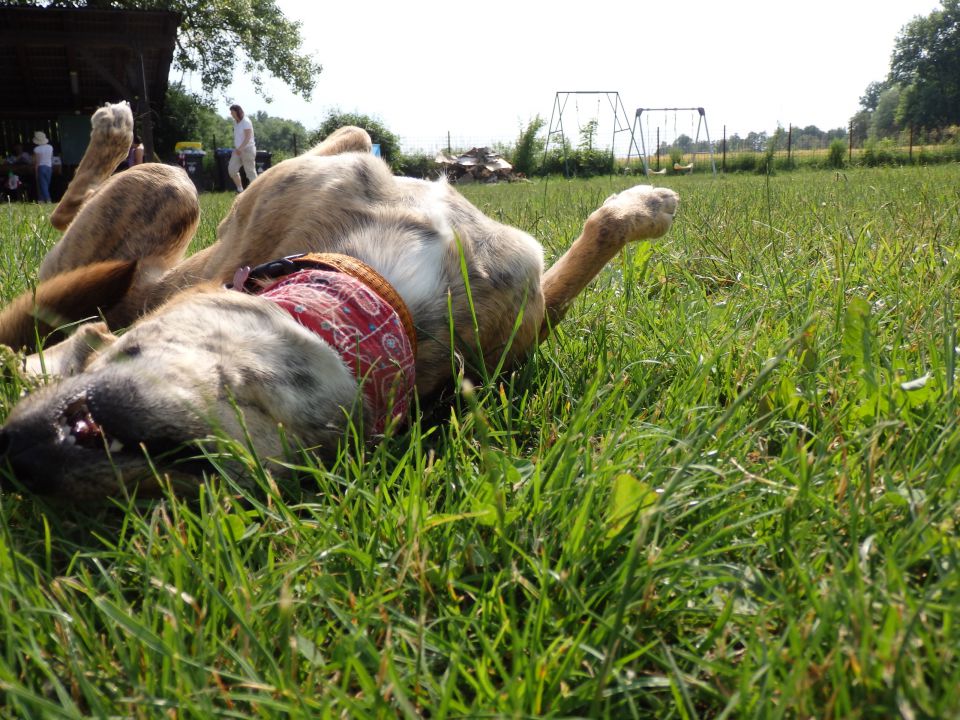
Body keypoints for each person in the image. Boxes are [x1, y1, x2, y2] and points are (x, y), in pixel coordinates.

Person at [228, 104, 257, 192]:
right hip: (238, 150)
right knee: (232, 170)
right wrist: (237, 149)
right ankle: (240, 190)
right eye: (231, 112)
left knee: (250, 173)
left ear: (237, 112)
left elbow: (248, 137)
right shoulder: (235, 123)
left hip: (247, 150)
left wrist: (241, 148)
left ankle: (256, 191)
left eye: (232, 112)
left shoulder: (246, 121)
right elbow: (238, 138)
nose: (231, 114)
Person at [32, 130, 53, 203]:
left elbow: (37, 161)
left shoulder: (36, 149)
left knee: (42, 185)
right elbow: (51, 157)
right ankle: (41, 200)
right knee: (46, 185)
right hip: (49, 167)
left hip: (41, 167)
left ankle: (48, 200)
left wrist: (36, 171)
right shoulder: (50, 147)